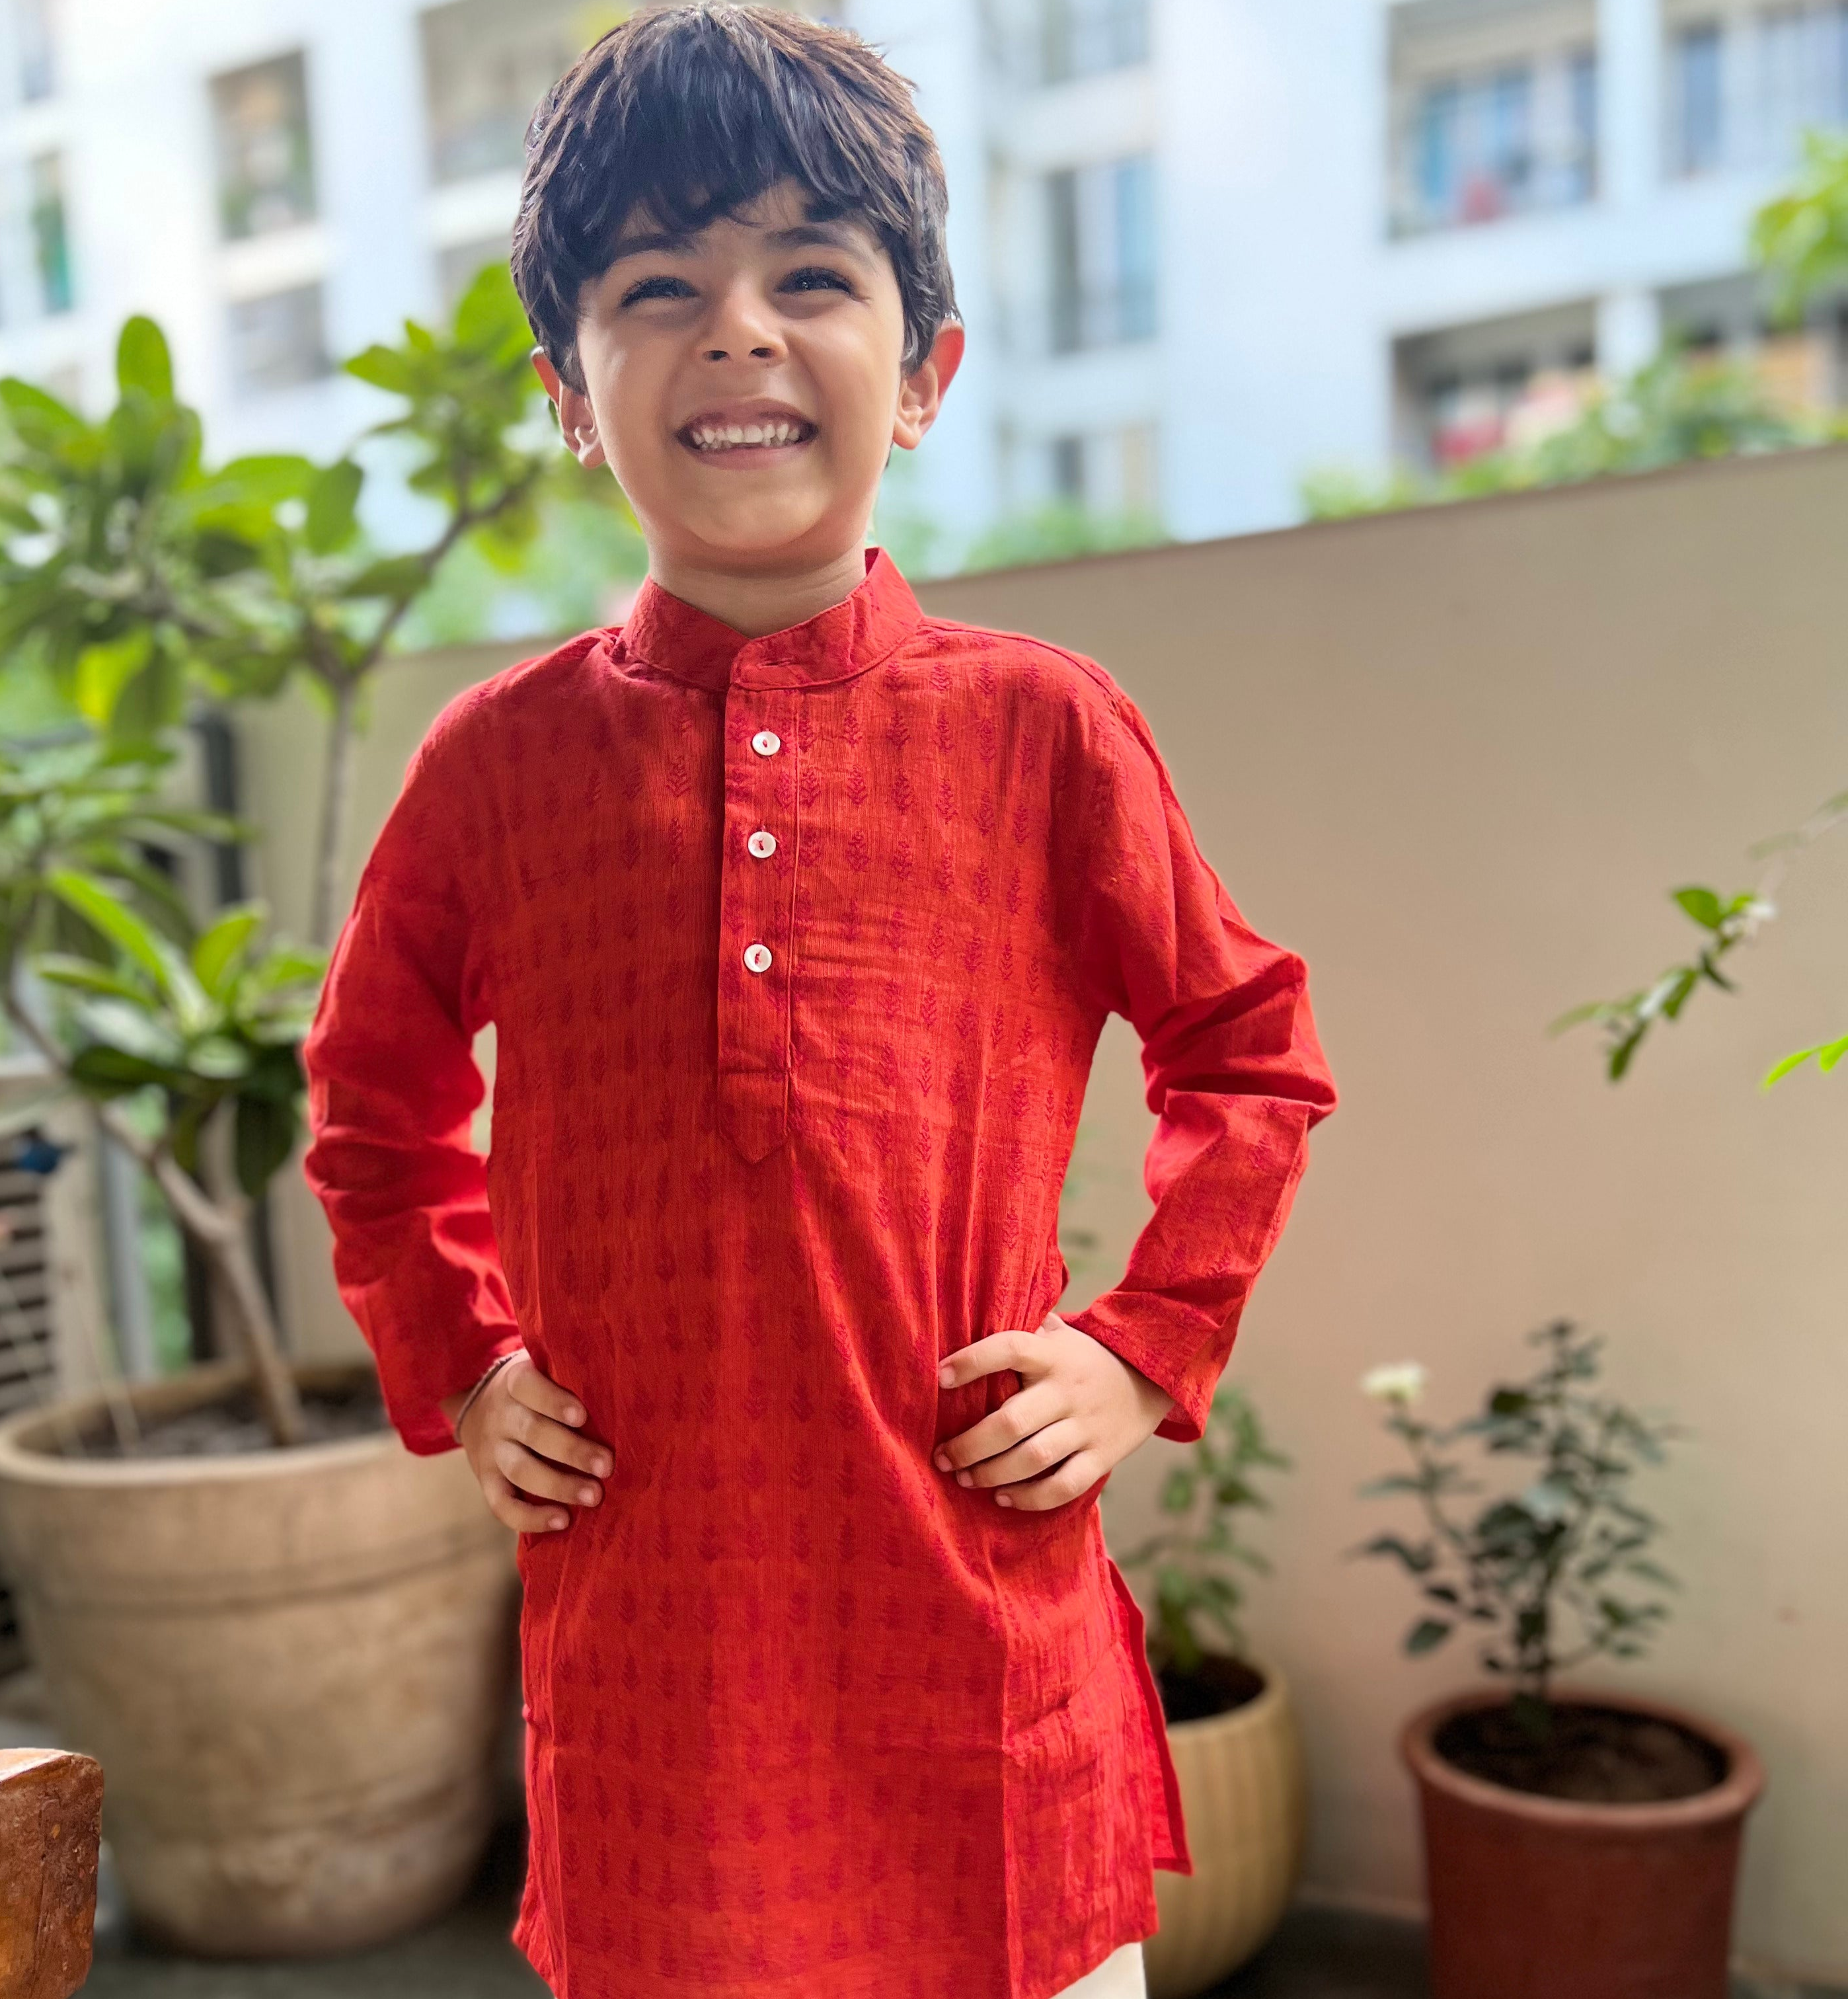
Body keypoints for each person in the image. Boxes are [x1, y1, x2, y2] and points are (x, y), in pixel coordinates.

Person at [301, 9, 1337, 1997]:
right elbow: (369, 1098)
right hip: (656, 1687)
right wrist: (462, 1358)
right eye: (656, 287)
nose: (739, 333)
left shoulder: (1046, 731)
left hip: (974, 1640)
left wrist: (1141, 1351)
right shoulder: (491, 771)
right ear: (569, 399)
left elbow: (1249, 1050)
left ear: (927, 373)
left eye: (811, 276)